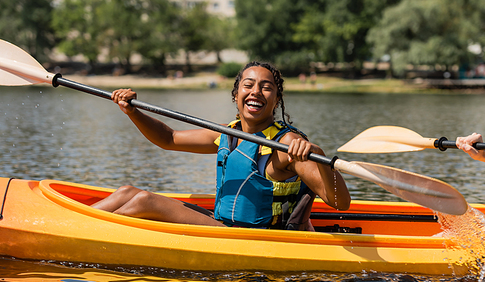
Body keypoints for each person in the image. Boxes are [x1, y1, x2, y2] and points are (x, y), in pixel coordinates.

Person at [92, 61, 351, 229]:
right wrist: (132, 112)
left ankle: (89, 232)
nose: (256, 92)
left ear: (276, 99)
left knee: (145, 202)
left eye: (266, 87)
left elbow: (339, 203)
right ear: (236, 94)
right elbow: (168, 138)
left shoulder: (289, 144)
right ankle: (69, 221)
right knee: (127, 192)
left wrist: (319, 156)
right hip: (224, 224)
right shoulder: (228, 133)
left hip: (257, 238)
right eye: (248, 85)